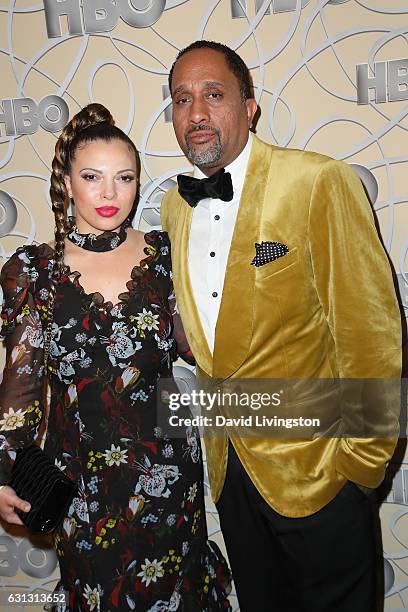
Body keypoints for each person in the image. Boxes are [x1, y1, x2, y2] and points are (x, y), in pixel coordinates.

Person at [160, 40, 402, 611]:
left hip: (323, 478)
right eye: (181, 99)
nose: (196, 113)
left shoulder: (317, 182)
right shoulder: (173, 207)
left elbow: (371, 334)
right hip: (232, 479)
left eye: (214, 95)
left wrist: (361, 471)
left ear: (250, 107)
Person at [0, 103, 231, 611]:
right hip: (81, 483)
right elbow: (20, 389)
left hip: (170, 471)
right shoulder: (32, 271)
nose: (109, 194)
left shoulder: (163, 253)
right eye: (92, 177)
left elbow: (198, 346)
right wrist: (3, 468)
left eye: (124, 178)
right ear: (66, 182)